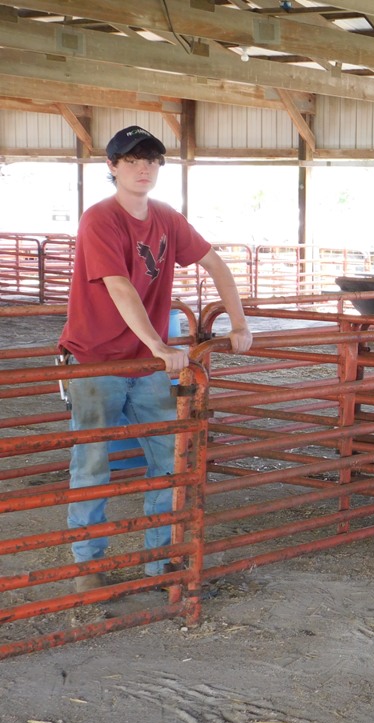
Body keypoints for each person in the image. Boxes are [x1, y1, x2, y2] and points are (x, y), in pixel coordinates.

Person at [60, 125, 253, 593]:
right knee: (92, 462)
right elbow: (119, 285)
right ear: (112, 166)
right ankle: (88, 565)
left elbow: (215, 263)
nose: (143, 168)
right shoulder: (100, 219)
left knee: (171, 457)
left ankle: (162, 560)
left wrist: (239, 323)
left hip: (146, 363)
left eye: (151, 160)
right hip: (97, 360)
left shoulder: (166, 217)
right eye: (131, 160)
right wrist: (160, 345)